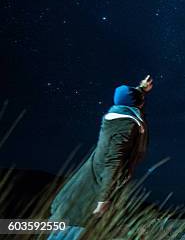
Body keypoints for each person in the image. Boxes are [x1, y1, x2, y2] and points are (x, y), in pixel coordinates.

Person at [48, 75, 153, 238]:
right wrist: (103, 199)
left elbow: (132, 102)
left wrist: (141, 89)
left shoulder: (121, 115)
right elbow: (112, 162)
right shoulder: (125, 125)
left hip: (77, 197)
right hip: (83, 205)